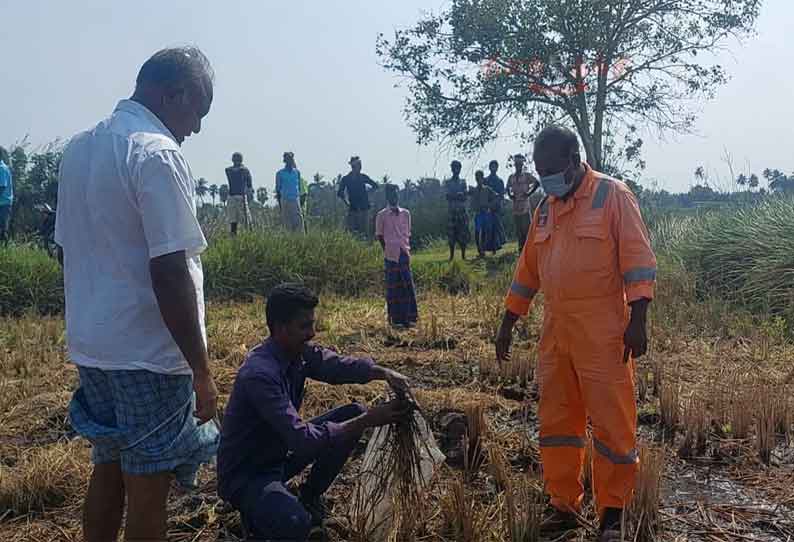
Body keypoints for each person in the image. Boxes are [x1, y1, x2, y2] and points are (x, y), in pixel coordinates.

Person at [54, 47, 219, 542]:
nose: (195, 128)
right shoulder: (157, 153)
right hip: (148, 353)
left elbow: (68, 251)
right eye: (197, 113)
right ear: (175, 94)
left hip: (95, 346)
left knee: (108, 467)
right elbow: (170, 271)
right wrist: (202, 370)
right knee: (149, 488)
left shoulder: (79, 149)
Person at [495, 126, 657, 542]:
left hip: (604, 331)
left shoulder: (613, 196)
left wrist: (638, 319)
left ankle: (613, 513)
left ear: (574, 158)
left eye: (550, 169)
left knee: (611, 423)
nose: (545, 178)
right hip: (557, 331)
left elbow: (638, 260)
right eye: (539, 171)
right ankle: (563, 504)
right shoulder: (545, 209)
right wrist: (509, 320)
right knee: (557, 421)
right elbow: (528, 269)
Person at [217, 283, 413, 541]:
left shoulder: (297, 353)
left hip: (278, 455)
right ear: (280, 327)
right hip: (248, 474)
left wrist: (383, 373)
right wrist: (368, 420)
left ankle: (309, 496)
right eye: (304, 326)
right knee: (296, 524)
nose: (312, 333)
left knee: (353, 412)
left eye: (312, 324)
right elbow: (303, 440)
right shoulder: (260, 375)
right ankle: (255, 516)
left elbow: (336, 366)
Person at [375, 185, 418, 327]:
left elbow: (408, 233)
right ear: (387, 196)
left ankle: (410, 318)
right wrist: (388, 249)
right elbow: (380, 236)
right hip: (391, 254)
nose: (394, 196)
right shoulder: (381, 215)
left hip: (404, 252)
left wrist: (403, 247)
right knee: (393, 288)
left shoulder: (406, 213)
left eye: (396, 194)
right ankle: (395, 320)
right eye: (391, 194)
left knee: (407, 286)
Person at [337, 156, 378, 238]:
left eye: (360, 165)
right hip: (353, 209)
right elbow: (340, 193)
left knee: (365, 234)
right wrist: (347, 203)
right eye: (358, 165)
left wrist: (369, 194)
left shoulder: (363, 177)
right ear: (353, 166)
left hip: (364, 209)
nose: (360, 167)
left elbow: (375, 186)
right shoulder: (346, 179)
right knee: (352, 234)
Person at [506, 154, 540, 250]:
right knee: (519, 231)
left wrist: (529, 194)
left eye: (520, 164)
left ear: (522, 165)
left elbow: (537, 183)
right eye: (517, 164)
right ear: (515, 165)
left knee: (527, 230)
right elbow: (507, 188)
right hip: (515, 208)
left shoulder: (527, 176)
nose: (518, 166)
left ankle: (529, 249)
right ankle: (521, 250)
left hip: (525, 207)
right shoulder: (511, 177)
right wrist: (510, 195)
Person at [470, 170, 503, 257]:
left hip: (486, 213)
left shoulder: (487, 189)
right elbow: (472, 202)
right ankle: (479, 251)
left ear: (482, 178)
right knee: (477, 232)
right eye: (476, 178)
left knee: (487, 231)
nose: (478, 180)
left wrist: (490, 205)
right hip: (478, 213)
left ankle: (487, 249)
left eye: (479, 178)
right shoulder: (474, 190)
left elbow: (497, 196)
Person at [444, 160, 470, 261]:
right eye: (454, 167)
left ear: (460, 169)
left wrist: (458, 195)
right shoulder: (448, 182)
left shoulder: (463, 182)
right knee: (451, 234)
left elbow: (465, 197)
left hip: (462, 211)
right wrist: (458, 195)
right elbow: (447, 196)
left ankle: (464, 256)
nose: (456, 170)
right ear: (452, 169)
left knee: (463, 233)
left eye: (458, 168)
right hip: (452, 211)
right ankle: (451, 256)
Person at [224, 152, 253, 236]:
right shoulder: (230, 170)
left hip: (241, 197)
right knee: (233, 220)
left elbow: (249, 185)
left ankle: (249, 236)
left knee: (245, 219)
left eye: (237, 159)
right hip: (232, 196)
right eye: (235, 159)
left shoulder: (244, 170)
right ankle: (234, 237)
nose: (236, 160)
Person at [276, 152, 304, 233]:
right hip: (285, 199)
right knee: (287, 222)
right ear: (284, 161)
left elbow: (298, 187)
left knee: (298, 221)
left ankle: (299, 239)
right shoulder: (280, 173)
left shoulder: (297, 172)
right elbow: (278, 190)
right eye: (287, 159)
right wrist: (280, 204)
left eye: (291, 159)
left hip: (295, 199)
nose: (289, 161)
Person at [485, 159, 506, 242]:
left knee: (497, 226)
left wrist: (497, 203)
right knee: (488, 227)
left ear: (497, 168)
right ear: (489, 168)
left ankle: (499, 243)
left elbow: (501, 195)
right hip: (487, 206)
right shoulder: (485, 180)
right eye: (492, 166)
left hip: (497, 206)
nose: (493, 168)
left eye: (495, 166)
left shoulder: (500, 181)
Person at [0, 146, 13, 244]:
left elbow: (2, 187)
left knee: (3, 228)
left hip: (3, 203)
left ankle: (5, 250)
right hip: (2, 202)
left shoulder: (2, 169)